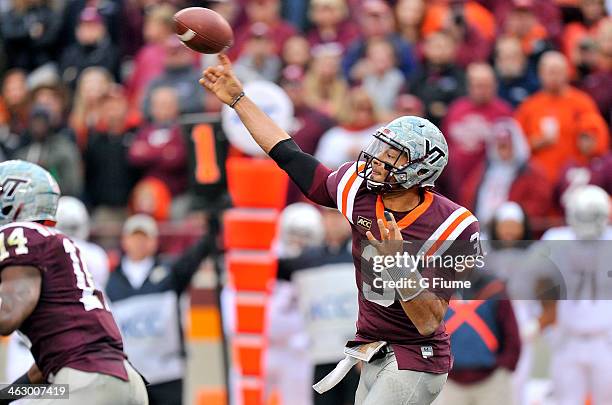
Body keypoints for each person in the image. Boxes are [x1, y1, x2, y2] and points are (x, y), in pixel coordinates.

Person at [200, 54, 481, 404]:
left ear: (423, 169)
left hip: (417, 358)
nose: (378, 161)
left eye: (393, 156)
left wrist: (398, 264)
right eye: (381, 149)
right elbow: (289, 154)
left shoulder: (455, 226)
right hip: (373, 351)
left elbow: (429, 320)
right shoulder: (357, 190)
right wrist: (240, 101)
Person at [0, 160, 147, 404]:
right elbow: (46, 367)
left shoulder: (20, 235)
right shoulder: (53, 241)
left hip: (86, 380)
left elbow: (8, 314)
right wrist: (5, 395)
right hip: (121, 382)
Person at [105, 214, 213, 405]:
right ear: (125, 241)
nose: (139, 243)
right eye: (135, 237)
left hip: (167, 373)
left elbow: (196, 255)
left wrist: (212, 229)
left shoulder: (170, 273)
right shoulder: (110, 281)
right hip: (130, 376)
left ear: (154, 241)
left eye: (144, 237)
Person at [4, 195, 110, 384]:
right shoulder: (90, 262)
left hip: (82, 371)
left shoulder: (42, 250)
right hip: (113, 371)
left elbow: (7, 320)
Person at [540, 185, 612, 405]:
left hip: (605, 339)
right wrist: (545, 316)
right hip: (567, 338)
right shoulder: (555, 239)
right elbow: (535, 280)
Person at [514, 51, 609, 183]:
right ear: (541, 74)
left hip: (573, 178)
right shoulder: (528, 106)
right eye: (550, 72)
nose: (554, 77)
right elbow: (515, 146)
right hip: (538, 179)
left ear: (567, 73)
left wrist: (589, 143)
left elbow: (599, 140)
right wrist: (535, 143)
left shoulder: (582, 103)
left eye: (558, 71)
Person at [441, 63, 514, 200]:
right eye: (478, 85)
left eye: (487, 86)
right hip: (454, 180)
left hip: (487, 182)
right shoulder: (456, 109)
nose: (482, 90)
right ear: (469, 86)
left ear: (495, 86)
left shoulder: (504, 112)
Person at [14, 106, 84, 197]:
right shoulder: (23, 152)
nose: (38, 126)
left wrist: (48, 172)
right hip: (27, 199)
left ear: (49, 124)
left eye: (42, 122)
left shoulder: (63, 149)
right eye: (35, 122)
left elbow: (73, 186)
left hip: (60, 198)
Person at [59, 7, 120, 88]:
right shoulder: (69, 53)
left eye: (92, 26)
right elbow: (65, 80)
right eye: (84, 26)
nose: (87, 31)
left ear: (102, 29)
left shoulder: (111, 53)